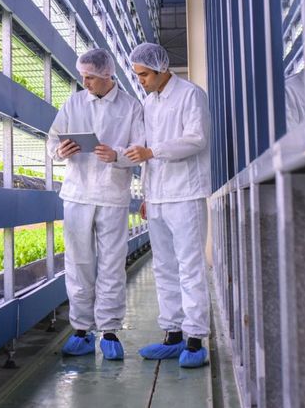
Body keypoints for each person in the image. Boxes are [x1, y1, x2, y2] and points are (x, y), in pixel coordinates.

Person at [46, 48, 145, 361]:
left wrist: (116, 156)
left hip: (113, 196)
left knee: (112, 263)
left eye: (89, 77)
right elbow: (52, 142)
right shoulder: (73, 103)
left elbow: (141, 149)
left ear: (106, 76)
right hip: (76, 194)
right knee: (78, 264)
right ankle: (81, 330)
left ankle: (111, 330)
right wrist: (61, 151)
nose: (84, 82)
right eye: (83, 76)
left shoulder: (131, 107)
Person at [124, 42, 212, 368]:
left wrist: (154, 151)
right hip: (158, 198)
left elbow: (197, 138)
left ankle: (195, 339)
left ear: (161, 69)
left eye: (144, 74)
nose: (141, 81)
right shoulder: (149, 103)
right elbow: (146, 154)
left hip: (185, 194)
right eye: (137, 75)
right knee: (164, 268)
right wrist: (147, 195)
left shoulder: (191, 94)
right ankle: (172, 335)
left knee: (189, 267)